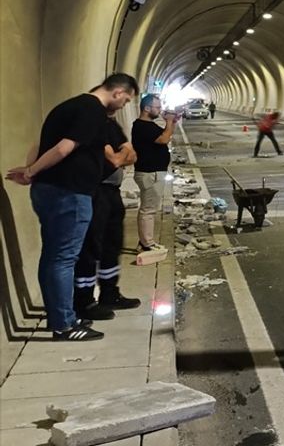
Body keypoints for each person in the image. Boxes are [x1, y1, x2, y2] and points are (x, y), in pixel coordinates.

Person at [5, 73, 138, 342]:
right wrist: (31, 171)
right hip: (69, 194)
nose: (124, 105)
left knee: (53, 257)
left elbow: (42, 144)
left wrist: (35, 172)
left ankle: (60, 317)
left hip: (53, 191)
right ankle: (64, 325)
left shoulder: (69, 107)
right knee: (64, 258)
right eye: (126, 100)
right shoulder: (92, 111)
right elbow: (64, 148)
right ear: (118, 92)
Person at [74, 115, 142, 321]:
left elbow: (132, 156)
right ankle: (83, 301)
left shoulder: (110, 125)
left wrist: (120, 156)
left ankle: (109, 293)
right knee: (91, 245)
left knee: (112, 244)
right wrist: (121, 156)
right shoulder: (90, 125)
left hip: (113, 191)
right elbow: (114, 159)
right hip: (96, 191)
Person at [131, 95, 175, 251]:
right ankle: (146, 244)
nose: (160, 110)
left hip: (153, 173)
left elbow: (167, 135)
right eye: (157, 107)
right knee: (148, 210)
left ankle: (146, 241)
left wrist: (172, 122)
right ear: (147, 108)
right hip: (150, 174)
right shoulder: (142, 126)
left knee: (149, 208)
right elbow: (163, 140)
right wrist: (168, 121)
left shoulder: (149, 125)